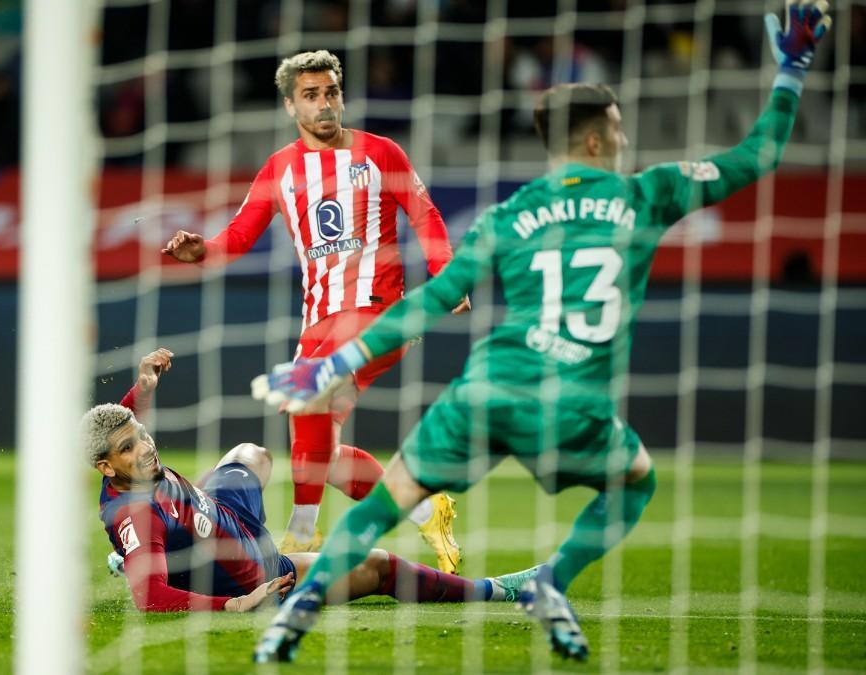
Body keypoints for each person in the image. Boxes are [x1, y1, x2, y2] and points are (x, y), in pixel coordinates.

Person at [251, 1, 831, 663]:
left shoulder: (507, 214)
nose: (623, 139)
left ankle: (292, 616)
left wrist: (330, 366)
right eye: (616, 128)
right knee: (636, 480)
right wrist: (792, 69)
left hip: (485, 390)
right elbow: (759, 154)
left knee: (387, 501)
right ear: (593, 141)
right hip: (571, 401)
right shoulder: (648, 194)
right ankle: (552, 579)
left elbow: (433, 299)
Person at [162, 50, 468, 571]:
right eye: (311, 96)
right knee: (317, 452)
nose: (324, 104)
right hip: (318, 323)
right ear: (290, 106)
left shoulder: (380, 153)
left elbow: (426, 213)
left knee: (305, 397)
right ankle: (424, 507)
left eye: (331, 93)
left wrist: (446, 274)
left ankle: (303, 533)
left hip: (379, 309)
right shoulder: (279, 169)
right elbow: (237, 237)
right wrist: (201, 252)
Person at [87, 348, 540, 612]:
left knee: (252, 454)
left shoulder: (129, 459)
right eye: (129, 450)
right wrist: (233, 605)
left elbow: (124, 429)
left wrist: (143, 388)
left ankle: (137, 555)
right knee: (378, 563)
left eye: (141, 437)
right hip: (256, 569)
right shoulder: (137, 514)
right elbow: (149, 598)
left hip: (224, 513)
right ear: (107, 467)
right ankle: (502, 590)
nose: (145, 448)